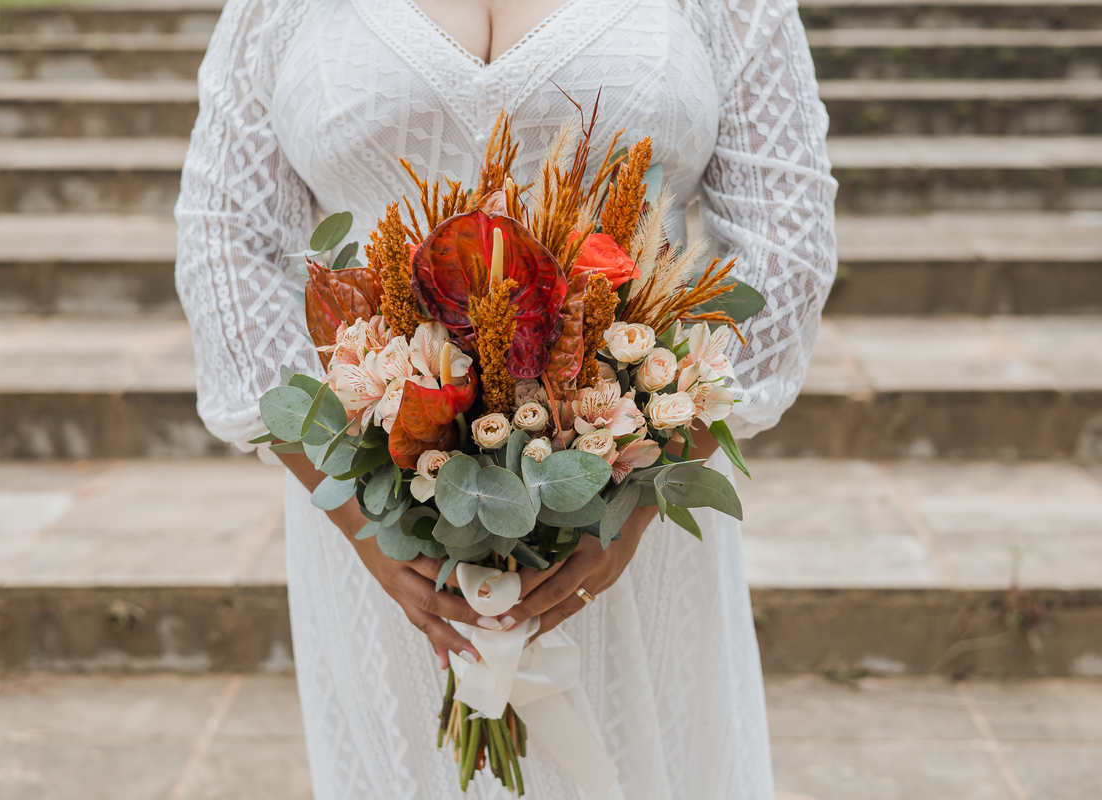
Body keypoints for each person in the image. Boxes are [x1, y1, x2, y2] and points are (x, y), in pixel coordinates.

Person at [175, 0, 837, 796]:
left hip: (630, 492)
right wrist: (359, 516)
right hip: (375, 504)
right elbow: (225, 235)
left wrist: (642, 484)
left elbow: (783, 244)